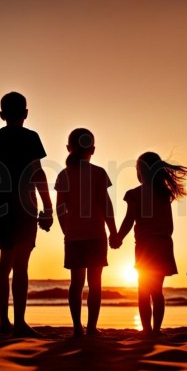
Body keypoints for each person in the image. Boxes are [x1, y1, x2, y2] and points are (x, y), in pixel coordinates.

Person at [111, 152, 187, 337]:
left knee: (143, 291)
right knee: (157, 292)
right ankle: (156, 329)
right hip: (164, 245)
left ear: (141, 171)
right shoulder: (165, 192)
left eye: (137, 169)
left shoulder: (134, 194)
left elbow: (129, 220)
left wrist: (118, 238)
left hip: (146, 247)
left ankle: (147, 330)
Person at [0, 92, 53, 337]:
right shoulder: (31, 137)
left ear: (2, 115)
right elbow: (37, 172)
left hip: (1, 207)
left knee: (4, 263)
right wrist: (48, 207)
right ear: (26, 114)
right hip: (26, 205)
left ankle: (4, 322)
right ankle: (18, 322)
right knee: (21, 266)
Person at [55, 128, 118, 337]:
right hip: (96, 235)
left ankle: (77, 327)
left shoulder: (65, 174)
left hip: (75, 236)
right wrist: (114, 230)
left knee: (76, 283)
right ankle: (91, 327)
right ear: (92, 148)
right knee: (95, 284)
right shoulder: (98, 173)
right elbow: (105, 204)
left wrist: (66, 230)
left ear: (68, 148)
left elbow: (60, 208)